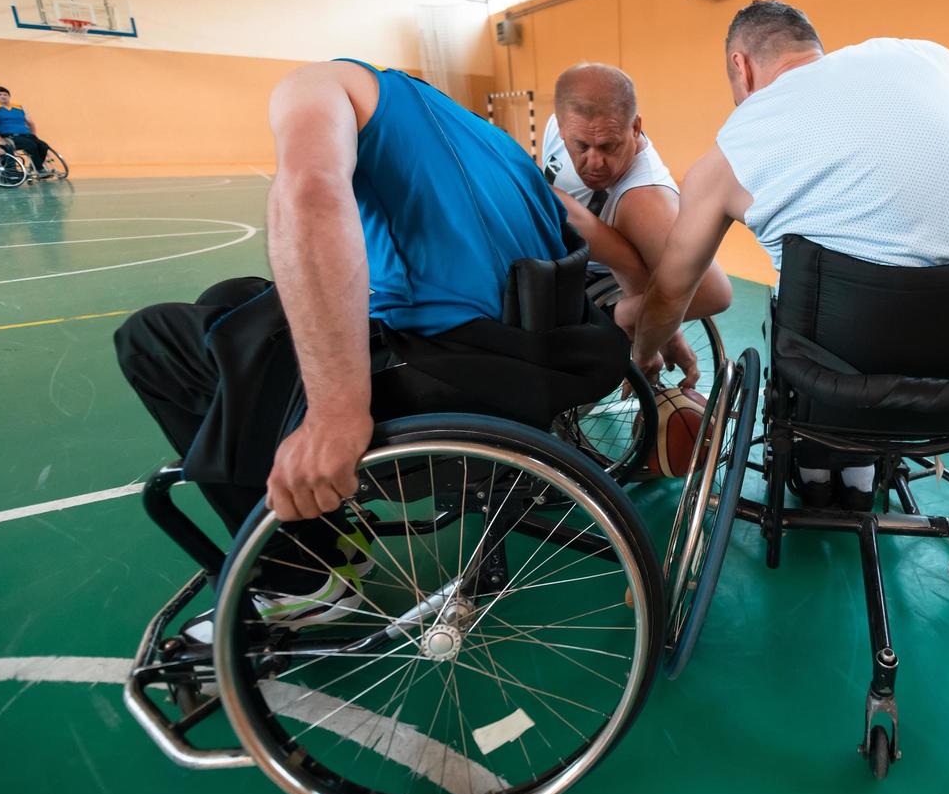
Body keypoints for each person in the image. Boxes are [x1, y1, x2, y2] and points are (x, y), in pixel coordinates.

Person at [115, 59, 626, 633]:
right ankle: (328, 531)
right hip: (536, 365)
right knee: (234, 300)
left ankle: (302, 578)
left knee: (154, 338)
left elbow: (309, 197)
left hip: (439, 376)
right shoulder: (492, 141)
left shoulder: (318, 86)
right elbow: (577, 235)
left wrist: (336, 412)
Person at [623, 0, 949, 510]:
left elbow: (674, 289)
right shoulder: (938, 61)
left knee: (801, 313)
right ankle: (861, 472)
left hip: (839, 378)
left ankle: (821, 464)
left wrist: (643, 354)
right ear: (814, 51)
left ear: (740, 68)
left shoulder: (735, 147)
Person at [540, 63, 733, 386]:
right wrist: (667, 333)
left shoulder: (646, 201)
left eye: (608, 146)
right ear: (561, 126)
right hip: (582, 255)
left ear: (635, 127)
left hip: (593, 278)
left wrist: (633, 317)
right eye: (582, 147)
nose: (595, 162)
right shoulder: (561, 125)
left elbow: (716, 294)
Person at [0, 86, 52, 178]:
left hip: (26, 135)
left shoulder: (19, 107)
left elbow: (30, 123)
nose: (2, 96)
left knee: (43, 146)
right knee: (31, 145)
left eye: (5, 94)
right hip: (10, 136)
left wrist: (34, 135)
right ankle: (39, 169)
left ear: (9, 96)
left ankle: (34, 166)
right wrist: (0, 140)